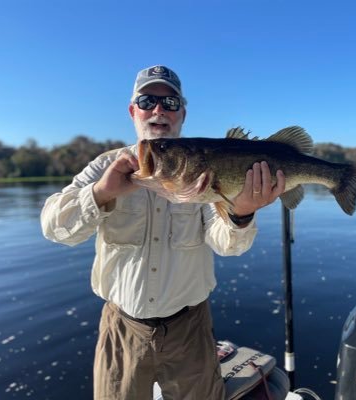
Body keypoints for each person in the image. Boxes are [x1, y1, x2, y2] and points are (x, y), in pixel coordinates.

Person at [41, 65, 286, 400]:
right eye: (147, 101)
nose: (158, 110)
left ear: (182, 113)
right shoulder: (104, 166)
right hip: (122, 329)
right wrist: (101, 193)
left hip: (191, 329)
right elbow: (54, 228)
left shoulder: (202, 166)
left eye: (170, 103)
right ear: (133, 111)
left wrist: (241, 213)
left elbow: (228, 246)